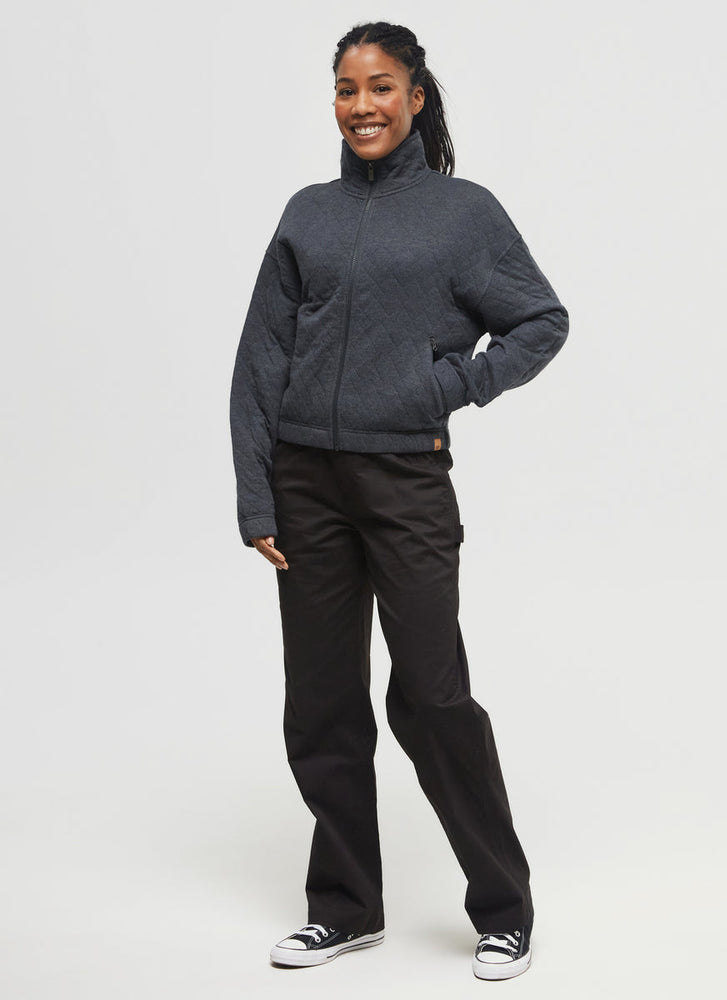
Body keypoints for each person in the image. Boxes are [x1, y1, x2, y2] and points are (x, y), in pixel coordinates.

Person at [229, 21, 569, 982]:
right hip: (305, 483)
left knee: (432, 695)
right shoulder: (307, 213)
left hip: (405, 478)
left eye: (380, 87)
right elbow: (260, 358)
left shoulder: (463, 214)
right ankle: (344, 910)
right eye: (347, 89)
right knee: (321, 704)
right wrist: (257, 495)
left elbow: (541, 320)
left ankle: (503, 909)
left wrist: (445, 387)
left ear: (416, 97)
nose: (362, 105)